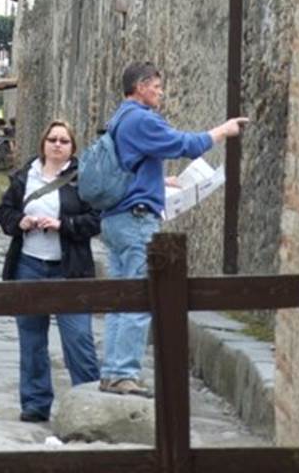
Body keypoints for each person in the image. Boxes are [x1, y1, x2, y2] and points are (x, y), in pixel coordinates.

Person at [98, 61, 249, 397]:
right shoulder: (141, 118)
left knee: (120, 298)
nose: (161, 93)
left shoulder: (120, 118)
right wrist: (223, 131)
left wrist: (158, 180)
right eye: (157, 86)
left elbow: (131, 164)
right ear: (140, 86)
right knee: (139, 296)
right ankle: (123, 374)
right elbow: (185, 144)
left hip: (117, 218)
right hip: (136, 220)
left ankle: (112, 372)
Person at [0, 120, 101, 423]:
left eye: (64, 141)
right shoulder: (23, 178)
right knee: (31, 340)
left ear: (72, 147)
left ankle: (89, 403)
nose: (57, 144)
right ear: (43, 144)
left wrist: (62, 225)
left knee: (78, 339)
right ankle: (35, 404)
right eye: (52, 139)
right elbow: (4, 213)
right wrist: (21, 222)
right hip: (29, 266)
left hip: (69, 270)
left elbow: (95, 219)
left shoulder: (83, 180)